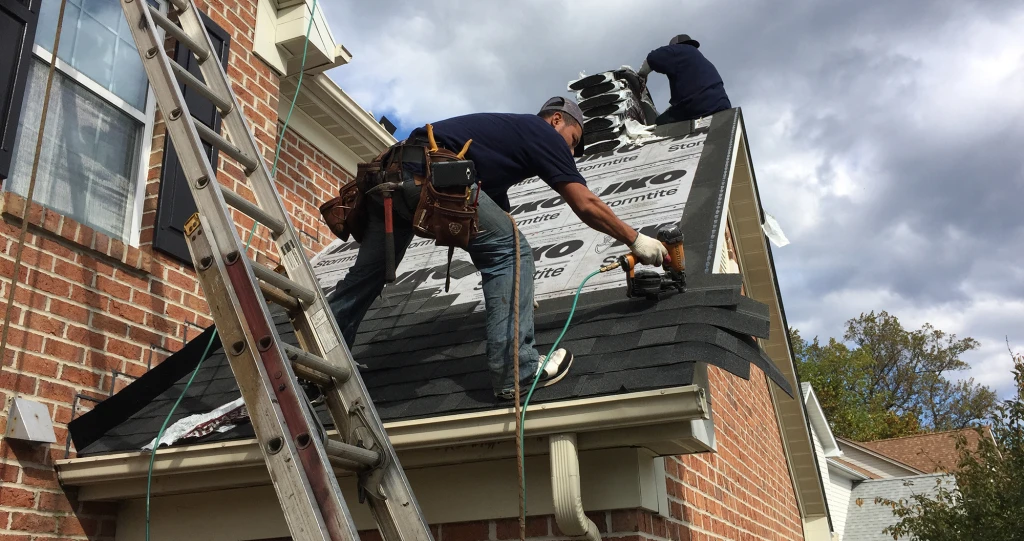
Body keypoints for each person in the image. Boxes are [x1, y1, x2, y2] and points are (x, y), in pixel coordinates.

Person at [327, 97, 668, 400]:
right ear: (556, 120)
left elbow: (495, 226)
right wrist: (635, 239)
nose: (570, 153)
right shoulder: (541, 133)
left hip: (391, 177)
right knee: (512, 251)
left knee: (366, 276)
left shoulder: (501, 148)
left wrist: (518, 284)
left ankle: (326, 355)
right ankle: (517, 373)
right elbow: (584, 203)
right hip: (430, 173)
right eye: (573, 141)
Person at [638, 34, 732, 125]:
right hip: (723, 106)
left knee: (659, 123)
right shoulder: (702, 62)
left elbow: (652, 57)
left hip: (699, 106)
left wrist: (641, 75)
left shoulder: (678, 51)